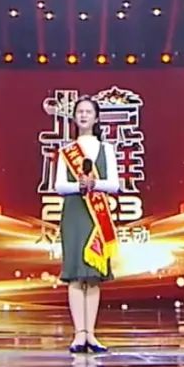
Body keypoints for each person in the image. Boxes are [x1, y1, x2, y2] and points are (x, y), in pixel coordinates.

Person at [53, 96, 121, 353]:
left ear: (96, 117)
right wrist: (79, 186)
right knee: (74, 274)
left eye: (88, 112)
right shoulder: (67, 151)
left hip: (97, 215)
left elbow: (114, 184)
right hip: (74, 212)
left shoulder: (106, 149)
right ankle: (78, 334)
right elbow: (59, 186)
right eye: (79, 111)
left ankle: (91, 334)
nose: (83, 115)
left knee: (92, 275)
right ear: (74, 117)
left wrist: (94, 184)